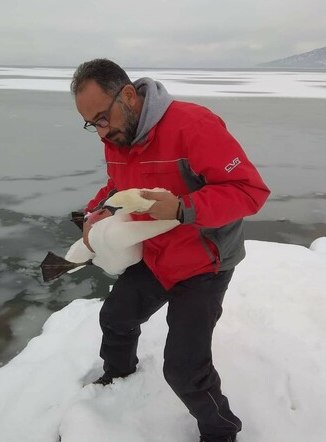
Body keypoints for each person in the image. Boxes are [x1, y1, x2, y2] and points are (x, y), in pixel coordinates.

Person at [70, 58, 270, 442]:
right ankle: (118, 378)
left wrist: (183, 208)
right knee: (116, 317)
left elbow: (249, 191)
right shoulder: (117, 137)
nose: (100, 131)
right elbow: (117, 185)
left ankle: (221, 432)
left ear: (128, 95)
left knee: (184, 368)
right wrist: (94, 212)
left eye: (102, 117)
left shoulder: (193, 126)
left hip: (205, 262)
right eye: (91, 123)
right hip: (158, 254)